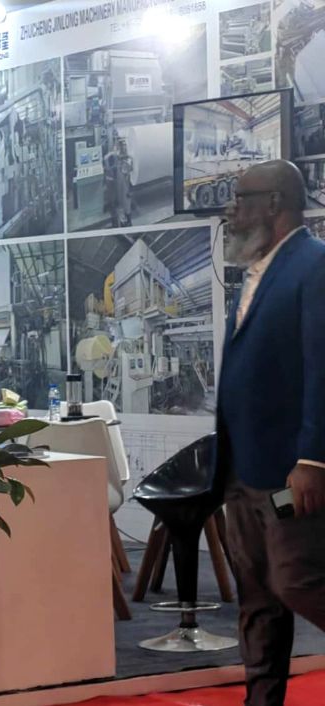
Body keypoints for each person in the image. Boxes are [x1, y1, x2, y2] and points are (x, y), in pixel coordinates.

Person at [218, 159, 325, 706]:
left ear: (275, 203)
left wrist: (313, 460)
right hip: (244, 473)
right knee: (257, 597)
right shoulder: (258, 272)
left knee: (296, 580)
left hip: (287, 476)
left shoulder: (315, 265)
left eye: (240, 198)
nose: (230, 211)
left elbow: (322, 368)